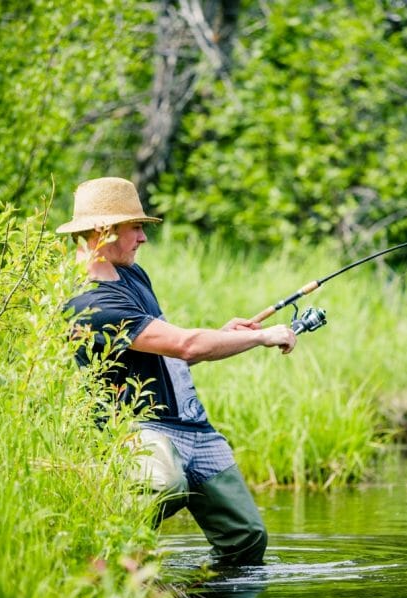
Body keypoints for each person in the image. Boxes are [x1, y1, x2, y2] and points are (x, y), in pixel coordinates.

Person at [56, 176, 297, 566]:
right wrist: (263, 337)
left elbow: (173, 350)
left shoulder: (132, 275)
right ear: (104, 231)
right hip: (140, 427)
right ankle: (109, 556)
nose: (143, 238)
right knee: (165, 485)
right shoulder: (88, 303)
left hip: (193, 426)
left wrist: (223, 337)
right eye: (136, 227)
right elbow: (185, 344)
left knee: (247, 539)